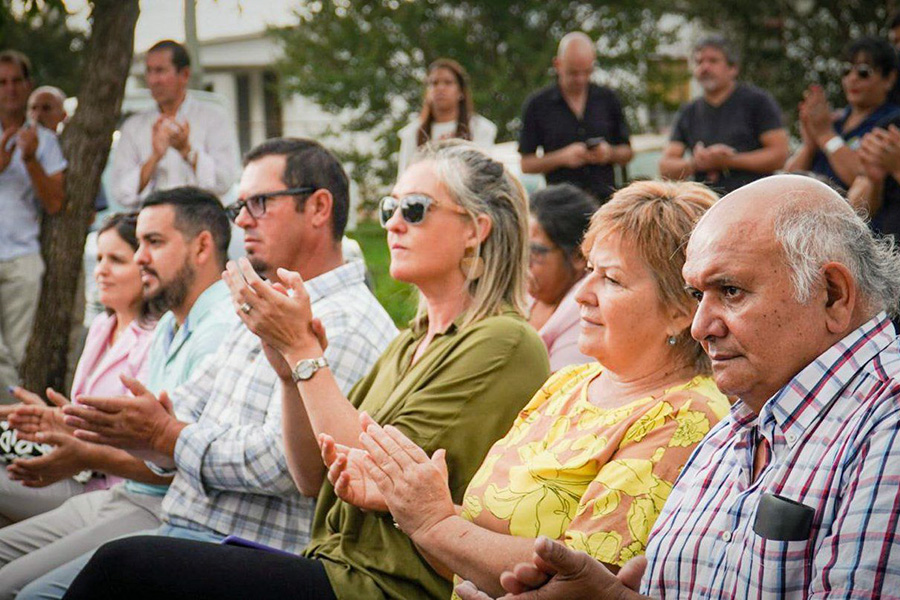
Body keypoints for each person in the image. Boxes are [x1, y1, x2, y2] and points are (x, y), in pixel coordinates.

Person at [64, 140, 552, 600]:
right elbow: (313, 477)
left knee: (122, 567)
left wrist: (300, 352)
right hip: (331, 563)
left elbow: (367, 471)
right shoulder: (409, 343)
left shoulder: (504, 341)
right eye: (389, 208)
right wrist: (287, 371)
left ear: (476, 229)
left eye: (415, 209)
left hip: (380, 585)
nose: (393, 224)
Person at [454, 174, 900, 600]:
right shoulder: (741, 425)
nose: (701, 325)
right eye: (695, 295)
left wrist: (434, 522)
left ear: (833, 294)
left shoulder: (887, 426)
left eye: (730, 291)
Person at [18, 138, 398, 599]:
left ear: (319, 207)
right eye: (240, 204)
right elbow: (187, 403)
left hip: (250, 553)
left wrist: (168, 436)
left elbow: (289, 466)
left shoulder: (348, 320)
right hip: (184, 530)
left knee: (40, 593)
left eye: (259, 202)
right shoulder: (263, 302)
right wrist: (93, 424)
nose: (241, 220)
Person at [0, 187, 237, 600]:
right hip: (124, 494)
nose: (141, 256)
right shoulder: (170, 325)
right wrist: (69, 423)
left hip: (157, 507)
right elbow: (148, 436)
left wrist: (84, 447)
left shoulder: (219, 329)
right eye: (140, 243)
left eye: (154, 242)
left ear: (202, 247)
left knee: (18, 590)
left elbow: (181, 460)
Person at [0, 213, 157, 527]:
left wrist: (60, 426)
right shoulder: (102, 325)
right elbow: (84, 420)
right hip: (75, 470)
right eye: (99, 258)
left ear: (145, 266)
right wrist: (48, 419)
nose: (101, 270)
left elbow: (139, 442)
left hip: (106, 489)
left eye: (116, 260)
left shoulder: (156, 339)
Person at [0, 50, 67, 401]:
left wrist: (29, 161)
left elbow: (55, 202)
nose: (9, 89)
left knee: (17, 352)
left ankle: (9, 439)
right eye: (2, 82)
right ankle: (10, 430)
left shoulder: (45, 141)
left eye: (16, 81)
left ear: (27, 86)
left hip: (22, 257)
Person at [108, 39, 240, 209]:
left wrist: (187, 151)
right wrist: (155, 157)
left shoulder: (214, 118)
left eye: (160, 71)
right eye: (149, 71)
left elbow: (224, 181)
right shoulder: (133, 126)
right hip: (151, 223)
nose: (153, 80)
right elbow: (121, 193)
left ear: (184, 74)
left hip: (201, 220)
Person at [658, 35, 788, 195]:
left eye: (713, 61)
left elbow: (779, 154)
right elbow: (666, 167)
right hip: (707, 207)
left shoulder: (758, 102)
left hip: (755, 200)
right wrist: (696, 163)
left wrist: (729, 161)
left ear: (733, 68)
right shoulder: (689, 112)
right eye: (699, 62)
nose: (704, 67)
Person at [519, 32, 632, 202]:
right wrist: (562, 158)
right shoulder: (537, 105)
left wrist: (609, 153)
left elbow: (627, 152)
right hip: (560, 205)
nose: (580, 79)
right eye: (573, 73)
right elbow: (526, 164)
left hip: (604, 202)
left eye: (587, 72)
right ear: (558, 65)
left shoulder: (608, 99)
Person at [786, 36, 900, 189]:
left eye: (863, 72)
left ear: (889, 79)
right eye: (846, 70)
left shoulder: (892, 123)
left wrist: (825, 135)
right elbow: (787, 181)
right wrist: (810, 145)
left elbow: (862, 178)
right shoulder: (836, 120)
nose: (852, 78)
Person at [526, 183, 596, 370]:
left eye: (535, 253)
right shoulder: (527, 294)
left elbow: (559, 389)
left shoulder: (587, 309)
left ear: (578, 256)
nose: (523, 262)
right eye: (520, 249)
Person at [396, 58, 497, 176]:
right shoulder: (412, 133)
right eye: (434, 83)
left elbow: (482, 175)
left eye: (448, 82)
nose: (440, 88)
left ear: (461, 92)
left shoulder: (481, 128)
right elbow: (404, 177)